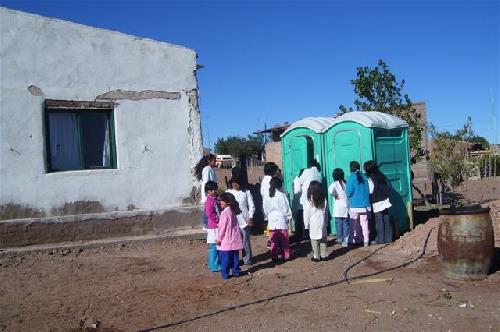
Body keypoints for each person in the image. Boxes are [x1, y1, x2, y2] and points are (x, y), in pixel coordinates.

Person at [226, 177, 255, 265]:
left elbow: (251, 206)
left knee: (245, 241)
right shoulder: (228, 192)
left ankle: (247, 259)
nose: (235, 185)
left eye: (237, 183)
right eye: (233, 183)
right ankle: (234, 261)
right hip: (232, 221)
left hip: (244, 220)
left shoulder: (246, 192)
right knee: (232, 241)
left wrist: (250, 217)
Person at [263, 177, 292, 263]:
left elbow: (265, 209)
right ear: (280, 185)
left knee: (273, 241)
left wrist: (267, 218)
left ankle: (274, 256)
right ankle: (285, 256)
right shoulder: (282, 195)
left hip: (271, 221)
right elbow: (286, 208)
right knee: (284, 241)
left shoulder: (266, 196)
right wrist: (288, 218)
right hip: (281, 220)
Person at [364, 160, 393, 244]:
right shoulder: (381, 175)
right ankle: (389, 238)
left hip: (377, 199)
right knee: (386, 218)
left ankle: (380, 239)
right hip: (385, 198)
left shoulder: (370, 177)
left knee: (379, 220)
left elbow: (370, 190)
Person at [216, 192, 244, 279]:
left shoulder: (225, 213)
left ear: (227, 202)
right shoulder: (232, 210)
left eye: (222, 200)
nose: (220, 202)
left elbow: (222, 227)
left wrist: (219, 239)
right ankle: (236, 272)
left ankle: (225, 274)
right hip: (235, 238)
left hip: (226, 240)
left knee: (225, 259)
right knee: (235, 258)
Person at [346, 161, 371, 247]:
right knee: (364, 223)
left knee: (353, 224)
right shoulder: (365, 176)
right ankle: (366, 241)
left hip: (355, 205)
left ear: (351, 168)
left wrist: (349, 197)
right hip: (365, 205)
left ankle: (350, 241)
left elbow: (349, 192)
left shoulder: (351, 177)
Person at [304, 181, 329, 262]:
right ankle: (324, 255)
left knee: (314, 239)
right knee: (323, 238)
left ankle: (316, 256)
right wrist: (326, 222)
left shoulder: (309, 200)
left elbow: (306, 213)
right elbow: (326, 212)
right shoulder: (324, 199)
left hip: (313, 222)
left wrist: (306, 224)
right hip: (322, 221)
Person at [194, 154, 217, 230]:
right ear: (209, 161)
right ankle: (206, 225)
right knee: (207, 209)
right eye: (214, 160)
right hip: (208, 192)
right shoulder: (207, 169)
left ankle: (208, 224)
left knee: (209, 208)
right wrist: (209, 192)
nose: (215, 162)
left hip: (210, 191)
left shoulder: (211, 168)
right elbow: (206, 182)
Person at [299, 159, 322, 231]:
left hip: (307, 196)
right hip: (316, 196)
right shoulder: (319, 173)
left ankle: (306, 229)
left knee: (306, 214)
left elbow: (300, 181)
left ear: (310, 165)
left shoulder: (307, 171)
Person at [328, 168, 349, 247]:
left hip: (338, 207)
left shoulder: (334, 184)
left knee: (338, 223)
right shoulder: (345, 182)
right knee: (346, 224)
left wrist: (335, 195)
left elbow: (330, 191)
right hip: (346, 206)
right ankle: (345, 239)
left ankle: (339, 238)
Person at [204, 180, 221, 272]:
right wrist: (217, 219)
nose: (213, 192)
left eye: (214, 190)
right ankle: (214, 265)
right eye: (211, 190)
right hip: (214, 226)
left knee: (215, 246)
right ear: (208, 191)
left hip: (215, 225)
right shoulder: (209, 200)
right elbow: (209, 213)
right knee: (214, 246)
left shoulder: (215, 198)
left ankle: (213, 264)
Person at [291, 169, 305, 242]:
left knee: (300, 220)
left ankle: (300, 235)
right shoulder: (297, 180)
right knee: (298, 220)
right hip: (298, 203)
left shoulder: (299, 180)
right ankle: (298, 235)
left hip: (300, 204)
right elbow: (298, 191)